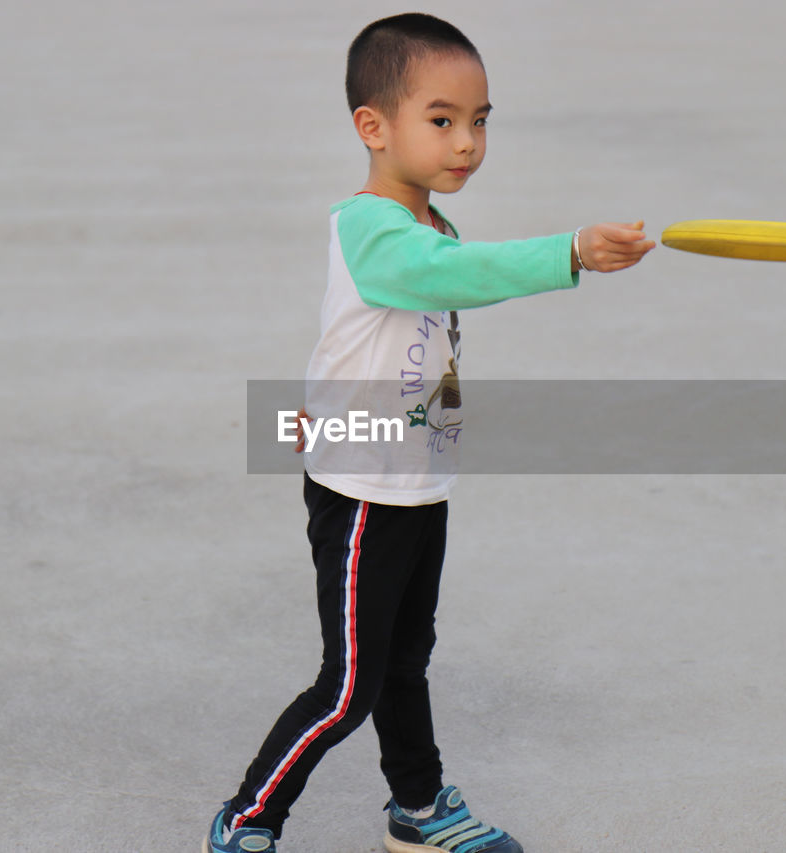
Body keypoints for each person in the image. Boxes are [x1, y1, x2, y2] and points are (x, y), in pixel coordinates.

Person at [206, 13, 654, 853]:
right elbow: (445, 277)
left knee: (406, 659)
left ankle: (418, 808)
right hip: (362, 490)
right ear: (372, 128)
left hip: (415, 484)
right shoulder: (371, 228)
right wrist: (571, 253)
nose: (467, 142)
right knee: (347, 688)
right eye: (442, 119)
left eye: (480, 121)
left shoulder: (431, 227)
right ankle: (247, 817)